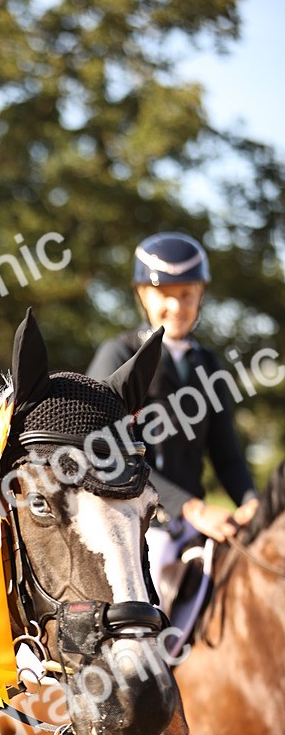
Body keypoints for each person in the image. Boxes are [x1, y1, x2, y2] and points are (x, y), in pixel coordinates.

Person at [87, 231, 258, 593]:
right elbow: (102, 452)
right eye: (165, 295)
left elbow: (227, 456)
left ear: (200, 295)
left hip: (191, 527)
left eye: (186, 294)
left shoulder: (208, 364)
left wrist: (250, 501)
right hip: (133, 524)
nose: (177, 307)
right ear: (142, 294)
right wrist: (192, 508)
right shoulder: (119, 356)